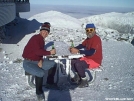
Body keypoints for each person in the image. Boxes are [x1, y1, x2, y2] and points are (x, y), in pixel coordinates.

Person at [22, 22, 56, 101]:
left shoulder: (42, 40)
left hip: (36, 61)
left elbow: (39, 53)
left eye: (47, 32)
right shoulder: (35, 38)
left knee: (53, 64)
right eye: (44, 31)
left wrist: (40, 60)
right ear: (40, 31)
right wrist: (50, 52)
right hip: (28, 62)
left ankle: (49, 83)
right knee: (40, 73)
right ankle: (39, 92)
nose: (45, 33)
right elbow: (38, 51)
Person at [69, 23, 103, 88]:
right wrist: (74, 48)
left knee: (78, 64)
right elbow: (82, 45)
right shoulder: (88, 39)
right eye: (87, 30)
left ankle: (84, 81)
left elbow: (91, 52)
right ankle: (78, 76)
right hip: (88, 58)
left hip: (95, 60)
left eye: (91, 30)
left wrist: (78, 51)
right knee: (72, 61)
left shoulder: (96, 39)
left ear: (94, 30)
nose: (89, 32)